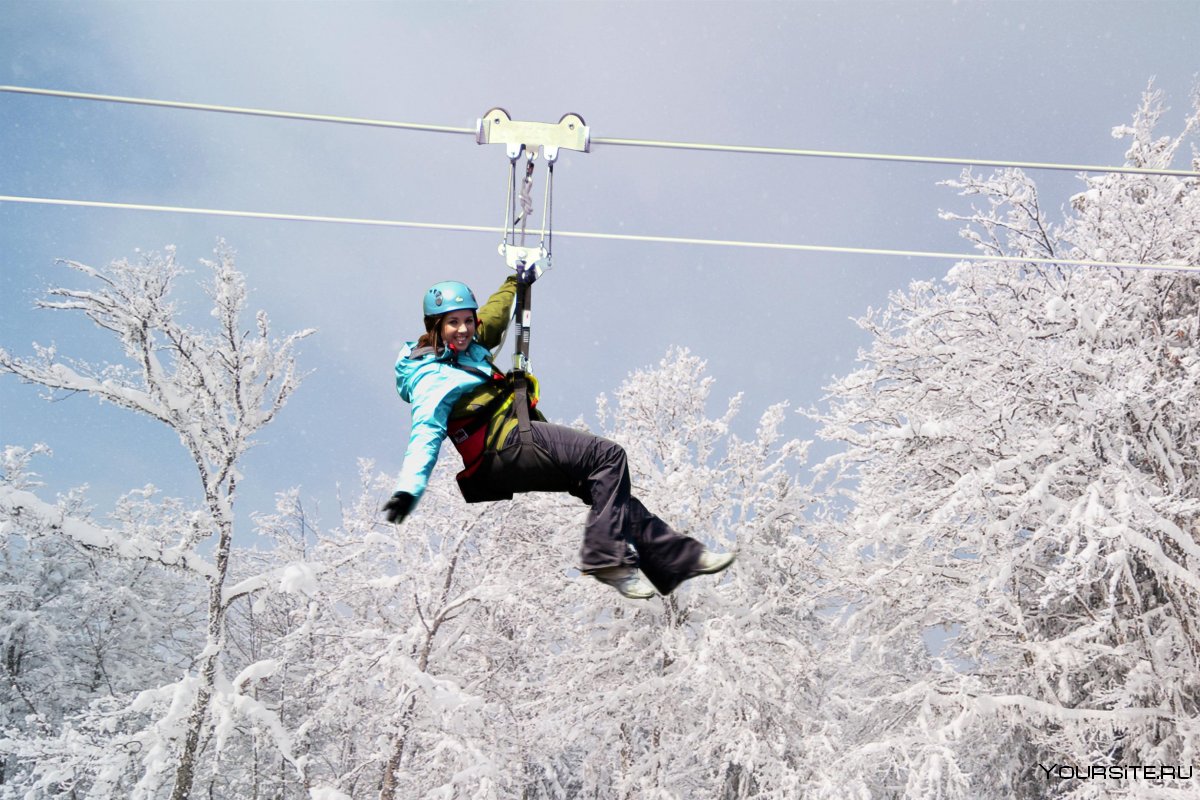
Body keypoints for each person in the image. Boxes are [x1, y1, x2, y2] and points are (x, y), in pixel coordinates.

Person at [383, 275, 734, 599]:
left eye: (467, 320)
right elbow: (425, 435)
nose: (463, 329)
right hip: (506, 446)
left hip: (511, 447)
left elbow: (494, 315)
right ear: (436, 326)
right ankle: (604, 557)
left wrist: (515, 282)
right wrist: (408, 490)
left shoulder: (469, 345)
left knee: (603, 487)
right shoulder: (431, 377)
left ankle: (677, 558)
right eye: (453, 323)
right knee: (607, 457)